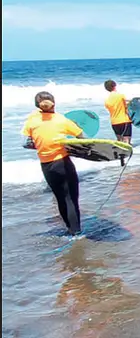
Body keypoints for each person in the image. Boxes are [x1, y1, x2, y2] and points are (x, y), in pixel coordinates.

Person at [21, 91, 86, 235]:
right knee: (71, 199)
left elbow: (26, 143)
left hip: (46, 166)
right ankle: (76, 233)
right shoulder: (61, 120)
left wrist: (42, 144)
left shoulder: (31, 121)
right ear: (54, 103)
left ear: (37, 105)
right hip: (63, 163)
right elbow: (82, 139)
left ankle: (69, 229)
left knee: (60, 198)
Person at [104, 80, 132, 144]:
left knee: (119, 141)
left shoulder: (107, 101)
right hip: (124, 121)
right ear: (114, 86)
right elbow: (128, 105)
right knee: (126, 141)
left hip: (114, 123)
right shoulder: (120, 96)